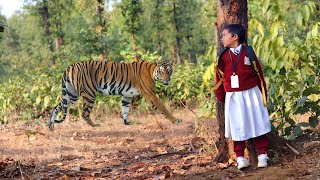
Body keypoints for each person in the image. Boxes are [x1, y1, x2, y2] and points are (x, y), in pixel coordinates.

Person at [214, 24, 271, 170]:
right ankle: (240, 158)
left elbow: (259, 73)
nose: (222, 38)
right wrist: (223, 97)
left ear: (235, 37)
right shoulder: (223, 56)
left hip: (252, 94)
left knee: (257, 123)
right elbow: (218, 78)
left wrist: (263, 93)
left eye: (224, 35)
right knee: (237, 126)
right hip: (234, 98)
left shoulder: (249, 52)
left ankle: (262, 155)